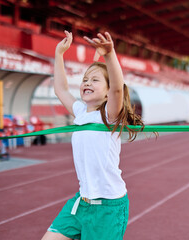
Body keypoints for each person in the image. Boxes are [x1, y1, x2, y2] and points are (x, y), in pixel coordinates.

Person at [41, 30, 144, 240]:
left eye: (95, 80)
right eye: (85, 79)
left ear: (106, 92)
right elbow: (60, 89)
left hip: (107, 207)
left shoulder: (109, 115)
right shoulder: (80, 111)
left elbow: (117, 89)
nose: (87, 83)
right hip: (82, 202)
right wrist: (59, 54)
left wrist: (109, 54)